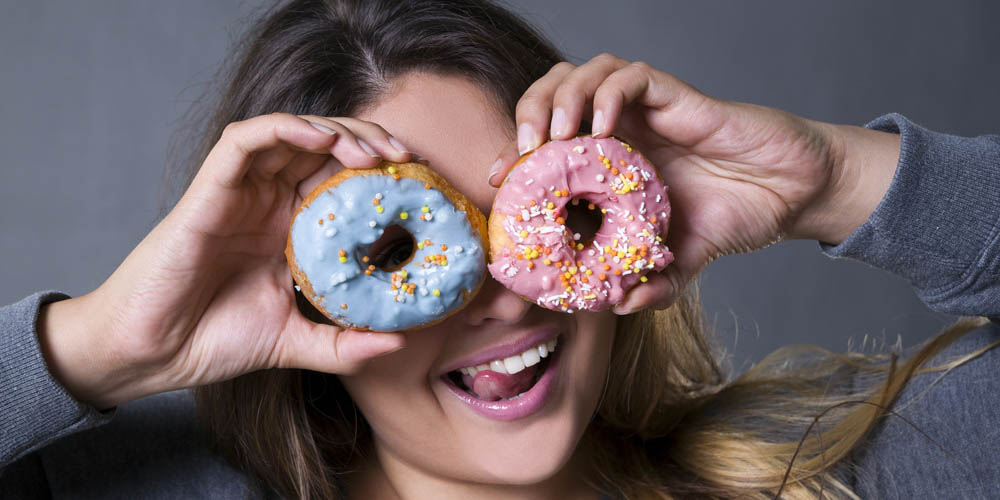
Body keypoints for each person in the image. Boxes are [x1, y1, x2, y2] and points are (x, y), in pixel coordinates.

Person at [2, 0, 998, 498]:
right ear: (306, 289)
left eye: (526, 216)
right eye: (405, 245)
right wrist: (98, 345)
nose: (505, 295)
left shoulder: (835, 484)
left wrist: (834, 178)